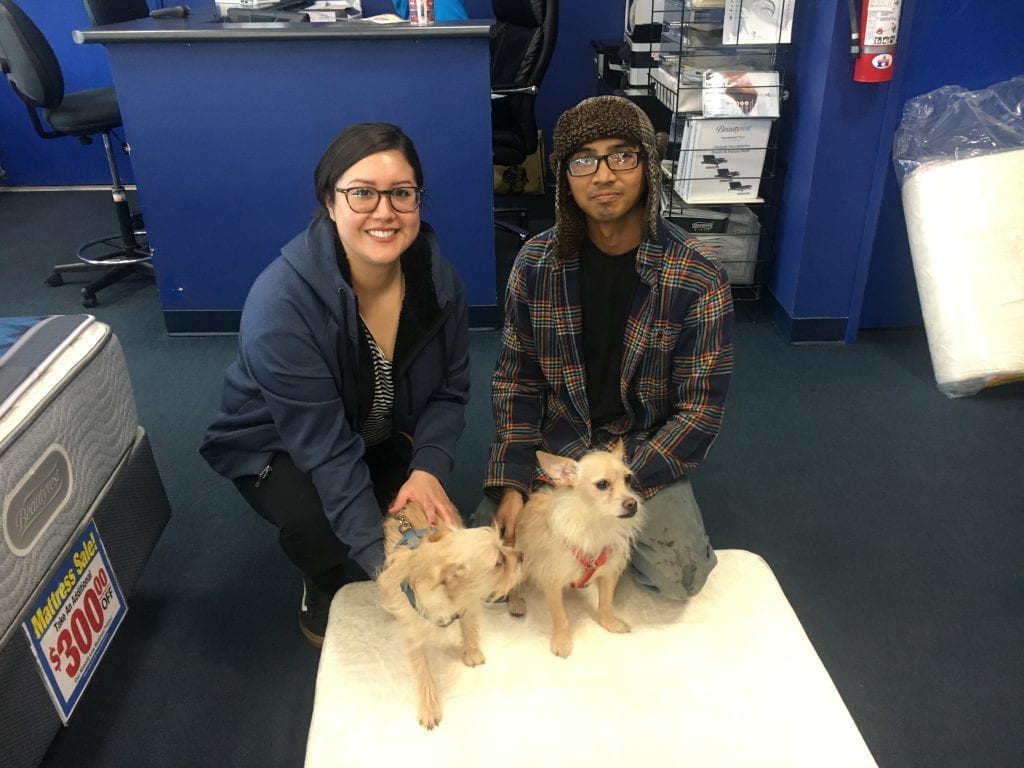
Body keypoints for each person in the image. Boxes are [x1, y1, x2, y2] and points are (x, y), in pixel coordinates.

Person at [200, 123, 470, 647]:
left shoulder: (440, 285)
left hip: (373, 428)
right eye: (361, 192)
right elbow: (323, 450)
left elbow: (449, 393)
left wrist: (429, 469)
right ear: (330, 201)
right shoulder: (281, 305)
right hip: (278, 445)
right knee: (323, 529)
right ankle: (319, 581)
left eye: (402, 193)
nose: (384, 211)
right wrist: (386, 569)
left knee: (428, 517)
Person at [474, 96, 734, 599]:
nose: (603, 175)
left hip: (638, 450)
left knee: (678, 581)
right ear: (566, 179)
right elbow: (516, 379)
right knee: (492, 571)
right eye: (583, 160)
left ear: (647, 165)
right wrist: (512, 479)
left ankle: (630, 525)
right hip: (557, 448)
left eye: (621, 155)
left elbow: (700, 410)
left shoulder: (697, 275)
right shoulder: (535, 263)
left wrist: (619, 479)